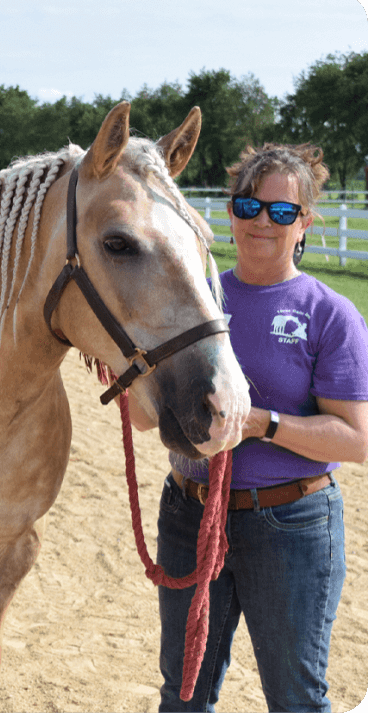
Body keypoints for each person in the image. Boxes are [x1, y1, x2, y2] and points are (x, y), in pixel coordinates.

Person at [130, 142, 368, 712]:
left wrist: (262, 424)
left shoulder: (328, 313)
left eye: (282, 212)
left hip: (290, 524)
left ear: (305, 222)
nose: (263, 221)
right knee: (183, 694)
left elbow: (357, 439)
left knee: (294, 699)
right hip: (189, 515)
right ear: (230, 210)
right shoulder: (191, 300)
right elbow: (144, 419)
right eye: (249, 205)